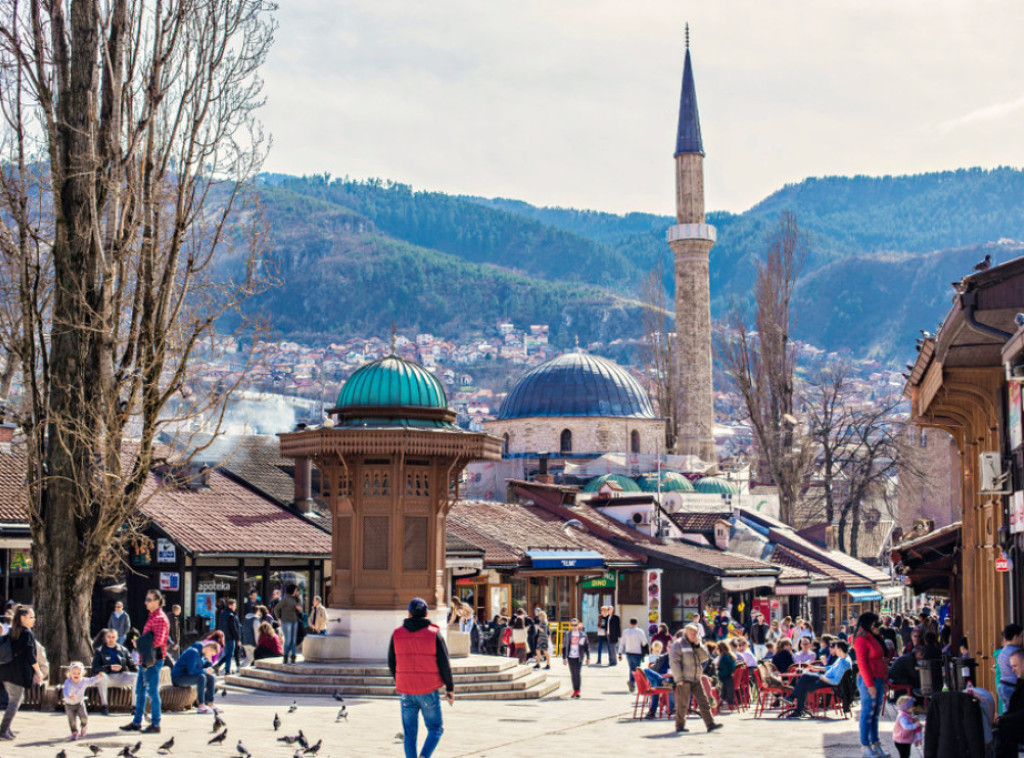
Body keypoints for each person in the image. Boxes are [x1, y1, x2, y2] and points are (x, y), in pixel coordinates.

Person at [387, 598, 454, 758]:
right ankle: (424, 756)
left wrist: (401, 680)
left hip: (405, 690)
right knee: (436, 728)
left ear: (408, 613)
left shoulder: (397, 634)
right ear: (426, 614)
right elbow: (444, 663)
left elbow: (391, 662)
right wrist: (450, 688)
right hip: (428, 689)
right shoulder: (434, 634)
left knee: (409, 733)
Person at [120, 589, 169, 735]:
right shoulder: (152, 616)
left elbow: (158, 641)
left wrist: (138, 643)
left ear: (157, 601)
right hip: (145, 660)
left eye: (149, 600)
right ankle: (137, 722)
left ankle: (156, 724)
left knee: (152, 692)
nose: (145, 602)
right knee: (140, 691)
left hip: (153, 661)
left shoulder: (160, 618)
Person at [670, 624, 722, 734]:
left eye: (696, 634)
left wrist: (698, 646)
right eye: (692, 634)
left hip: (696, 677)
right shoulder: (678, 644)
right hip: (684, 678)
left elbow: (704, 658)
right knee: (683, 703)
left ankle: (710, 724)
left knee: (703, 702)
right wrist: (679, 678)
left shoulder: (696, 643)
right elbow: (674, 662)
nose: (694, 636)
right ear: (687, 633)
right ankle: (680, 726)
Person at [0, 605, 41, 740]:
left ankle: (7, 729)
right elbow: (31, 656)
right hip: (17, 674)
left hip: (6, 671)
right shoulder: (26, 633)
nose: (33, 620)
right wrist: (38, 672)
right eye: (31, 617)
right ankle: (3, 731)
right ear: (22, 618)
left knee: (15, 699)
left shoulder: (13, 631)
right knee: (15, 701)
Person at [783, 640, 852, 718]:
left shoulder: (844, 663)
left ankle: (797, 707)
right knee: (805, 676)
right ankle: (794, 702)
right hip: (826, 678)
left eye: (835, 648)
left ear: (839, 649)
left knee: (803, 684)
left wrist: (823, 677)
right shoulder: (842, 658)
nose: (834, 650)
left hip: (829, 682)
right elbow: (831, 668)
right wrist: (816, 668)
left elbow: (836, 681)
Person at [853, 612, 889, 758]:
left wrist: (884, 681)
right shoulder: (861, 639)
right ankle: (865, 745)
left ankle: (875, 744)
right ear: (868, 624)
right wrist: (869, 684)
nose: (879, 627)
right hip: (870, 680)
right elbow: (862, 663)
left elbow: (882, 658)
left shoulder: (874, 637)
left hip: (878, 679)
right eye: (876, 624)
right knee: (867, 713)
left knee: (874, 714)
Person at [91, 628, 137, 715]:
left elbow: (132, 666)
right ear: (105, 638)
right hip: (107, 677)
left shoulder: (123, 650)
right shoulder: (100, 651)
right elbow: (95, 668)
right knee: (101, 676)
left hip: (121, 676)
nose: (111, 639)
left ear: (116, 638)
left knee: (136, 677)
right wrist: (109, 667)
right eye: (109, 637)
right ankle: (104, 706)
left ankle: (134, 707)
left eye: (113, 637)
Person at [171, 641, 222, 715]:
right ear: (208, 648)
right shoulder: (193, 652)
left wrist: (209, 662)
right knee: (201, 677)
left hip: (187, 676)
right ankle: (200, 706)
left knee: (211, 677)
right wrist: (205, 671)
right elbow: (191, 671)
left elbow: (203, 668)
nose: (211, 656)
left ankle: (210, 703)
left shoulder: (201, 654)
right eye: (211, 654)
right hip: (178, 678)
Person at [62, 662, 105, 741]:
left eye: (78, 673)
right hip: (69, 705)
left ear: (82, 674)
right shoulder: (68, 682)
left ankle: (84, 726)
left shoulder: (84, 681)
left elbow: (92, 680)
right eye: (74, 673)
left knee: (84, 717)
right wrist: (69, 696)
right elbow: (65, 690)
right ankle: (74, 732)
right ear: (70, 673)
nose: (76, 675)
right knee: (72, 721)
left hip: (79, 703)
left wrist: (98, 677)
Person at [996, 649, 1024, 758]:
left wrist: (1005, 718)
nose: (1012, 670)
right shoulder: (1020, 680)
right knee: (1001, 727)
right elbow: (1015, 708)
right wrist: (1004, 717)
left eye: (1015, 666)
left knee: (1005, 729)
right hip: (1019, 722)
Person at [274, 583, 302, 664]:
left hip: (295, 621)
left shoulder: (296, 599)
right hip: (286, 622)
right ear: (293, 590)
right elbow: (276, 608)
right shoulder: (286, 599)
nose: (297, 592)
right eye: (296, 590)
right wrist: (279, 618)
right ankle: (285, 656)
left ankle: (293, 656)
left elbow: (299, 610)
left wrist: (299, 609)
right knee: (288, 640)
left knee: (293, 640)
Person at [619, 617, 649, 693]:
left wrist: (620, 652)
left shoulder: (625, 632)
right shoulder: (639, 631)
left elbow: (622, 642)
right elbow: (644, 642)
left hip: (628, 652)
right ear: (637, 623)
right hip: (637, 653)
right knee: (637, 669)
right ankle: (634, 683)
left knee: (631, 668)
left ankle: (632, 682)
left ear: (630, 623)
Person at [998, 623, 1023, 711]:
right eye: (1021, 636)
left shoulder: (1003, 651)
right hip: (1012, 686)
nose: (1022, 639)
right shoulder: (1016, 653)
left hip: (1002, 685)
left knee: (1007, 711)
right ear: (1015, 637)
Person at [561, 618, 589, 698]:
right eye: (572, 625)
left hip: (579, 657)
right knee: (573, 674)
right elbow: (564, 646)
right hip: (570, 657)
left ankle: (578, 690)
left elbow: (587, 647)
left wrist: (588, 657)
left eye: (575, 625)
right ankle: (575, 690)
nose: (574, 627)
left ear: (578, 625)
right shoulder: (567, 635)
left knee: (577, 673)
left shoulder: (583, 635)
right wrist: (564, 658)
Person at [215, 598, 242, 675]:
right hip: (230, 637)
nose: (235, 607)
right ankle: (227, 671)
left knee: (228, 654)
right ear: (230, 606)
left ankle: (218, 665)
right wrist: (238, 639)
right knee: (230, 654)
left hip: (224, 636)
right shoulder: (231, 615)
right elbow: (233, 628)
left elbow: (219, 625)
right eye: (234, 605)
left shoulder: (222, 613)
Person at [715, 640, 737, 707]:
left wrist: (716, 674)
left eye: (717, 648)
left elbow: (724, 671)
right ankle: (721, 700)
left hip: (725, 678)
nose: (716, 650)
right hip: (729, 678)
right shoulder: (730, 656)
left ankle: (715, 702)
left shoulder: (724, 658)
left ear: (720, 649)